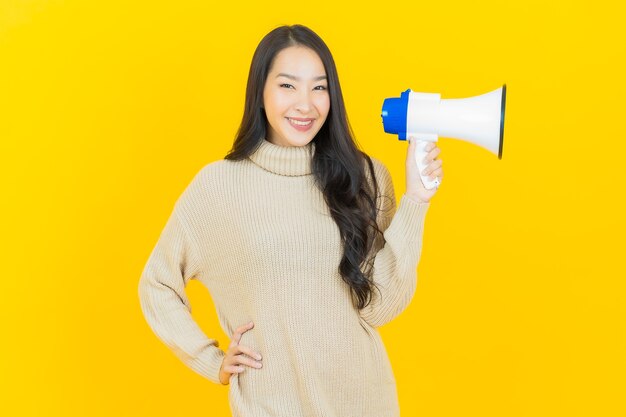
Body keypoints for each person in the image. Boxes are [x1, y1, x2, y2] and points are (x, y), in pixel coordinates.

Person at [138, 24, 443, 417]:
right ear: (260, 92)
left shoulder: (362, 176)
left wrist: (416, 200)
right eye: (287, 86)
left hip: (367, 403)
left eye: (319, 87)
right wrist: (210, 359)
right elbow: (157, 283)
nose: (306, 104)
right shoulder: (218, 188)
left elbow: (379, 307)